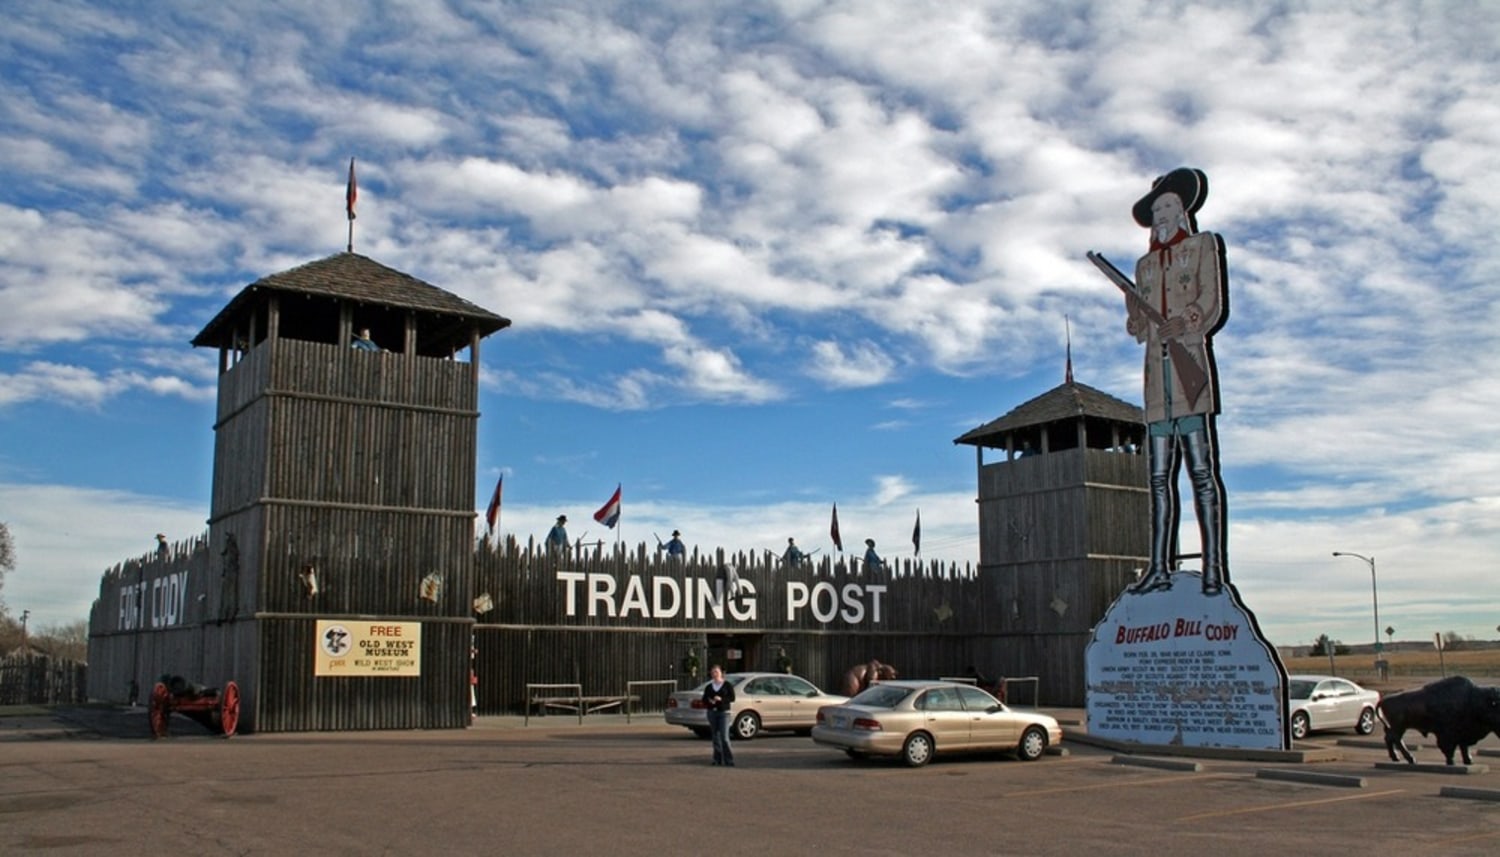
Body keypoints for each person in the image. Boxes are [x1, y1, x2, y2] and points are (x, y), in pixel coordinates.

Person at [1121, 168, 1230, 596]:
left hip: (1190, 378)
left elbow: (1211, 302)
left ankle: (1213, 569)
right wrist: (1136, 313)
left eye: (1167, 205)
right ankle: (1159, 569)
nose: (1162, 213)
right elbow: (1138, 330)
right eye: (1156, 209)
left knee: (1202, 474)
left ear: (1182, 209)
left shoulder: (1203, 246)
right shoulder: (1144, 266)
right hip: (1156, 382)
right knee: (1158, 480)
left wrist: (1182, 323)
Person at [702, 664, 736, 766]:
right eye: (712, 672)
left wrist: (721, 699)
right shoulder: (709, 687)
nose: (714, 674)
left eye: (716, 672)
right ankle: (717, 759)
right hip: (712, 712)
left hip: (723, 713)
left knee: (724, 737)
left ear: (721, 673)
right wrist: (710, 701)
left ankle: (729, 760)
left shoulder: (727, 685)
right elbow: (704, 699)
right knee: (715, 736)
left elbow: (732, 698)